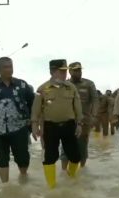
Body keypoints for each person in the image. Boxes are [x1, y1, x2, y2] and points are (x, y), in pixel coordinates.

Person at [31, 59, 83, 188]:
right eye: (61, 71)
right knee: (50, 157)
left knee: (75, 156)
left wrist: (80, 124)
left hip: (69, 126)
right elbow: (35, 110)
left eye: (65, 72)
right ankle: (52, 187)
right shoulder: (42, 89)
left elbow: (77, 107)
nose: (65, 74)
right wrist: (34, 126)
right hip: (50, 127)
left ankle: (71, 178)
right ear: (52, 71)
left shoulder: (71, 87)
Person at [60, 62, 98, 169]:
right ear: (70, 71)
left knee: (82, 147)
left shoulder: (89, 84)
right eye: (76, 70)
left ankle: (82, 172)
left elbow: (95, 100)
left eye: (80, 70)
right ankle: (63, 172)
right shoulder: (64, 84)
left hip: (84, 121)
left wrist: (94, 116)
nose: (78, 72)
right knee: (65, 147)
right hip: (67, 120)